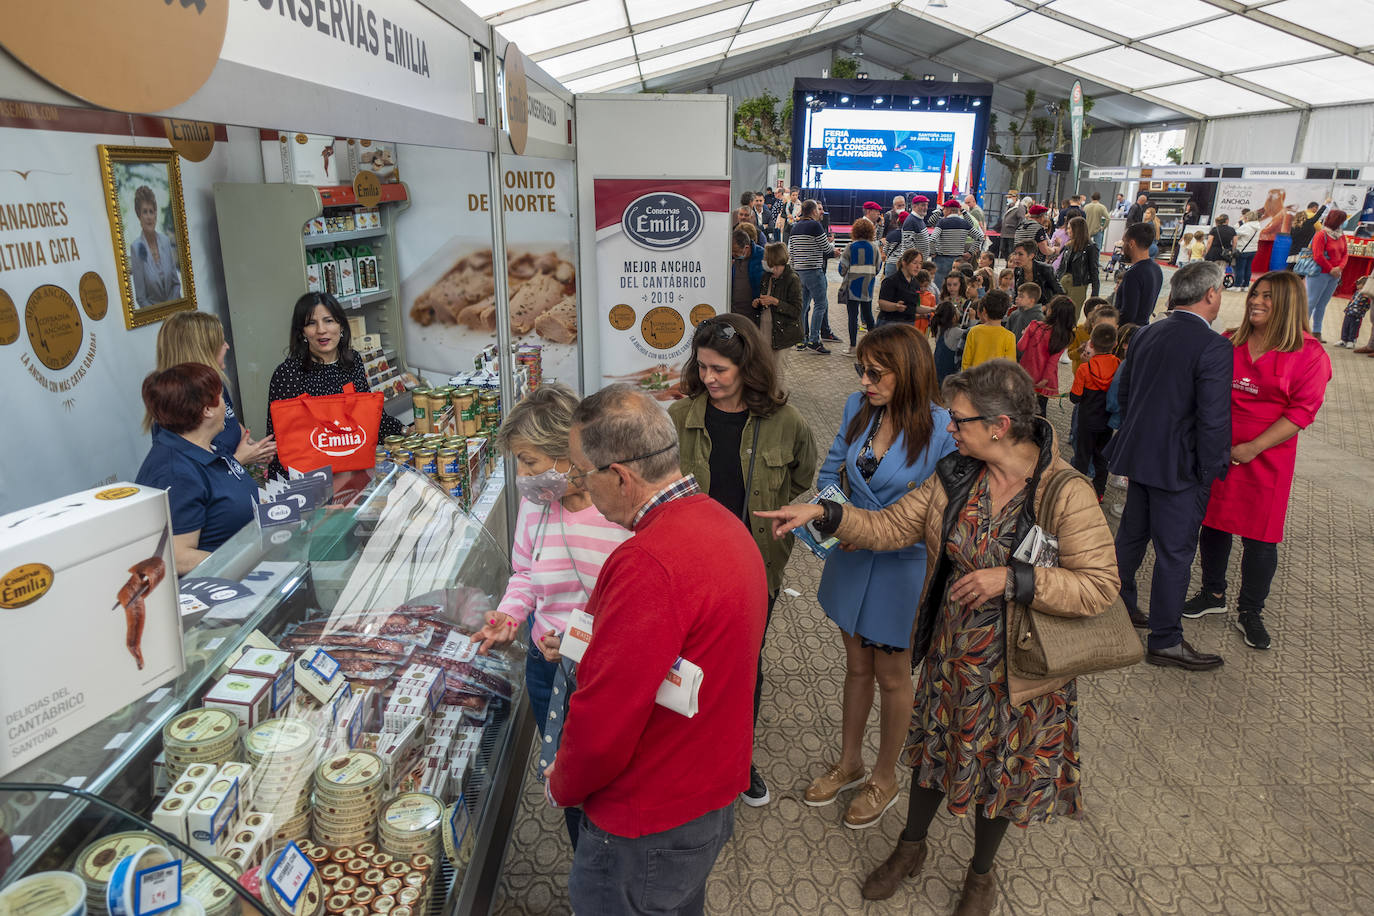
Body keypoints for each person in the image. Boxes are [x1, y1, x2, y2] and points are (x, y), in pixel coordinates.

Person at [758, 360, 1119, 915]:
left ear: (998, 426)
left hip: (1022, 669)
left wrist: (1015, 578)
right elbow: (890, 526)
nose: (949, 429)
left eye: (960, 420)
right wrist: (826, 513)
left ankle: (980, 876)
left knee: (999, 773)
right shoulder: (957, 473)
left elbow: (1099, 586)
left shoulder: (1063, 492)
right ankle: (911, 847)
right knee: (931, 756)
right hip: (954, 653)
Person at [550, 385, 766, 916]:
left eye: (582, 474)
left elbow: (605, 721)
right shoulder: (724, 523)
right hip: (708, 791)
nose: (580, 487)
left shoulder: (648, 562)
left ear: (620, 475)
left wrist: (563, 782)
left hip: (646, 817)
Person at [805, 324, 956, 828]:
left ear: (908, 371)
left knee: (894, 678)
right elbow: (830, 472)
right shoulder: (857, 408)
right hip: (851, 556)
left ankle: (885, 777)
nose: (865, 381)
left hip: (903, 569)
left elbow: (943, 515)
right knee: (856, 667)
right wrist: (835, 518)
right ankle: (849, 762)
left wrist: (874, 531)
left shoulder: (944, 429)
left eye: (875, 372)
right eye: (860, 370)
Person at [669, 315, 817, 806]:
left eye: (720, 370)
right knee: (686, 663)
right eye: (703, 367)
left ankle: (736, 758)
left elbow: (801, 477)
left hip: (754, 570)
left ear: (748, 367)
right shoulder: (679, 419)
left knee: (743, 667)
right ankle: (686, 754)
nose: (709, 378)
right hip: (690, 570)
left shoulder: (786, 422)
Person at [477, 383, 631, 848]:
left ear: (566, 454)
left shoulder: (617, 515)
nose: (522, 475)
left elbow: (632, 609)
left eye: (529, 461)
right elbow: (525, 572)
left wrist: (580, 643)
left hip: (604, 673)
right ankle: (584, 859)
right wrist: (508, 615)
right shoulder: (535, 505)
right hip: (547, 671)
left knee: (612, 778)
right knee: (564, 774)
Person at [1183, 272, 1332, 650]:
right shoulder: (1230, 340)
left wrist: (1253, 447)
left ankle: (1251, 610)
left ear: (1287, 304)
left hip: (1267, 459)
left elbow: (1302, 412)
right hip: (1219, 452)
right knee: (1214, 525)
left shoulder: (1309, 354)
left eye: (1267, 297)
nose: (1256, 302)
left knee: (1260, 539)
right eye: (1255, 294)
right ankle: (1213, 595)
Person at [1107, 261, 1233, 671]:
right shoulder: (1212, 346)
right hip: (1181, 467)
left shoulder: (1146, 333)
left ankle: (1117, 607)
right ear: (1211, 294)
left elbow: (1124, 393)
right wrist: (1211, 469)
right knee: (1175, 554)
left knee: (1130, 538)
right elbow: (1213, 419)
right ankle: (1165, 639)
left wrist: (1134, 436)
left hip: (1140, 454)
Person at [265, 291, 405, 479]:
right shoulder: (288, 373)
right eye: (311, 323)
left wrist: (405, 431)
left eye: (329, 321)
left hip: (351, 470)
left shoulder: (352, 361)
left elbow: (370, 417)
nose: (321, 330)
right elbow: (279, 438)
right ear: (302, 332)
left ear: (341, 326)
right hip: (309, 480)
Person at [136, 363, 258, 573]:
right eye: (220, 398)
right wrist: (246, 562)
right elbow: (178, 556)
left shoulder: (211, 446)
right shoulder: (175, 472)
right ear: (207, 410)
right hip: (217, 591)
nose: (225, 406)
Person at [147, 311, 275, 467]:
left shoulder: (215, 386)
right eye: (221, 342)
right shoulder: (173, 416)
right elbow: (199, 477)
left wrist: (255, 448)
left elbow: (231, 421)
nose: (227, 346)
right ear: (202, 352)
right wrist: (240, 460)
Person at [1069, 323, 1123, 500]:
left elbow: (1075, 397)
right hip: (1106, 422)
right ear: (1115, 344)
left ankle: (1077, 491)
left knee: (1082, 457)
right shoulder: (1118, 365)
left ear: (1091, 344)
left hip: (1086, 420)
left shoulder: (1085, 368)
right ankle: (1099, 492)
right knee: (1101, 458)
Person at [787, 199, 836, 354]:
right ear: (814, 211)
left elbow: (791, 251)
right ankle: (814, 340)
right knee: (821, 304)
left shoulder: (795, 227)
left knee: (803, 306)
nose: (820, 212)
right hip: (814, 270)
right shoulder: (815, 226)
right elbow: (826, 248)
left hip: (798, 272)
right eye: (818, 210)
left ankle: (801, 340)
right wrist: (834, 249)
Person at [1017, 295, 1076, 416]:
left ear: (1051, 311)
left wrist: (1025, 333)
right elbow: (1053, 361)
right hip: (1044, 379)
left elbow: (1020, 347)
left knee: (1022, 408)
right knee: (1040, 409)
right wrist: (1045, 379)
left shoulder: (1035, 326)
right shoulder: (1064, 335)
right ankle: (1041, 432)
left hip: (1027, 373)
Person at [128, 185, 183, 308]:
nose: (149, 217)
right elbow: (141, 298)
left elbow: (176, 284)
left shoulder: (165, 241)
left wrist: (172, 308)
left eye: (151, 211)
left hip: (177, 313)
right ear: (139, 216)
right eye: (144, 212)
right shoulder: (136, 248)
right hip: (155, 317)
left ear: (156, 214)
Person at [750, 242, 804, 352]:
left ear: (773, 259)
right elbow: (764, 300)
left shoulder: (792, 279)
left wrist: (775, 302)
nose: (764, 260)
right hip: (764, 329)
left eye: (766, 257)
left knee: (776, 368)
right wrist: (758, 303)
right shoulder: (766, 276)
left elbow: (796, 310)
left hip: (781, 335)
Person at [1305, 209, 1349, 341]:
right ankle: (1301, 331)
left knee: (1322, 304)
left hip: (1334, 275)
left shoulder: (1341, 235)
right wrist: (1331, 269)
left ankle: (1317, 332)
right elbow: (1317, 255)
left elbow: (1345, 253)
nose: (1344, 223)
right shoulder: (1321, 235)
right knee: (1310, 302)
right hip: (1319, 274)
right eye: (1342, 220)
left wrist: (1339, 268)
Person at [841, 217, 881, 354]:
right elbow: (878, 267)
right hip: (867, 287)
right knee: (868, 316)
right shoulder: (874, 247)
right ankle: (875, 346)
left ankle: (852, 347)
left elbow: (842, 268)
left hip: (852, 287)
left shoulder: (850, 247)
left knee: (852, 317)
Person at [1113, 223, 1164, 327]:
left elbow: (1128, 313)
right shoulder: (1156, 268)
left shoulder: (1133, 274)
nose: (1123, 246)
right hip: (1143, 327)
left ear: (1131, 243)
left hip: (1128, 332)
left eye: (1124, 242)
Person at [929, 198, 986, 290]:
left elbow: (932, 239)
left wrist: (932, 252)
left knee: (941, 288)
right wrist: (970, 252)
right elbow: (980, 237)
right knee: (957, 287)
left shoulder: (942, 222)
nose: (943, 212)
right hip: (959, 260)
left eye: (944, 209)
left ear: (949, 210)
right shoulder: (964, 223)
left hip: (942, 260)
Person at [1056, 216, 1101, 321]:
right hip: (1063, 282)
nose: (1067, 231)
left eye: (1069, 228)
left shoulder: (1091, 247)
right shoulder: (1068, 246)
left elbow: (1094, 270)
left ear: (1076, 230)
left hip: (1078, 285)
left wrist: (1095, 294)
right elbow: (1061, 267)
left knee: (1072, 317)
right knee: (1058, 314)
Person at [877, 249, 935, 327]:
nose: (918, 267)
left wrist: (932, 309)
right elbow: (882, 303)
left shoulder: (915, 284)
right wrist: (895, 306)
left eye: (920, 263)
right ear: (904, 263)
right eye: (914, 263)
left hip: (908, 323)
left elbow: (915, 307)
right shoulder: (890, 281)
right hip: (890, 323)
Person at [962, 291, 1015, 369]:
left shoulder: (973, 331)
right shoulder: (1009, 336)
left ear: (984, 310)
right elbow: (1011, 366)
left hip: (975, 379)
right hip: (997, 380)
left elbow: (966, 362)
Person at [1008, 241, 1064, 305]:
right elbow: (1017, 293)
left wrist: (1047, 307)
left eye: (1020, 254)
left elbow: (1059, 293)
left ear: (1031, 256)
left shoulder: (1045, 269)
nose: (1016, 257)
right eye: (1015, 254)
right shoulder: (1017, 270)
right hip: (1025, 307)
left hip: (1044, 307)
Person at [729, 228, 765, 316]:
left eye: (736, 252)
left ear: (746, 247)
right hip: (733, 310)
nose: (732, 254)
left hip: (754, 311)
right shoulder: (731, 259)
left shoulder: (763, 256)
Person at [930, 301, 966, 382]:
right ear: (953, 317)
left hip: (936, 375)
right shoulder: (956, 332)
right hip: (949, 378)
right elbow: (971, 333)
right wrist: (973, 319)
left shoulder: (939, 329)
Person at [1342, 272, 1374, 349]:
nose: (1358, 289)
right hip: (1349, 312)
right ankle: (1343, 339)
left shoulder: (1367, 296)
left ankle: (1351, 341)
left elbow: (1368, 305)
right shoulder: (1356, 292)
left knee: (1354, 328)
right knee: (1345, 326)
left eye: (1360, 288)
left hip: (1357, 315)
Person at [1232, 210, 1262, 288]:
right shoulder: (1258, 226)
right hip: (1253, 249)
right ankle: (1246, 285)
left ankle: (1237, 286)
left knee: (1240, 268)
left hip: (1243, 249)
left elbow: (1235, 234)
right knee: (1248, 268)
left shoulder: (1246, 226)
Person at [1000, 191, 1025, 261]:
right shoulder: (1008, 206)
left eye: (1010, 197)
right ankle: (1008, 261)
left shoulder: (1020, 207)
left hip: (1012, 234)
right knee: (1002, 249)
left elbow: (1021, 221)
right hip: (1004, 233)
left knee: (1011, 251)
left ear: (1015, 197)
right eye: (1008, 197)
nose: (1008, 199)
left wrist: (1017, 231)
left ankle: (1011, 263)